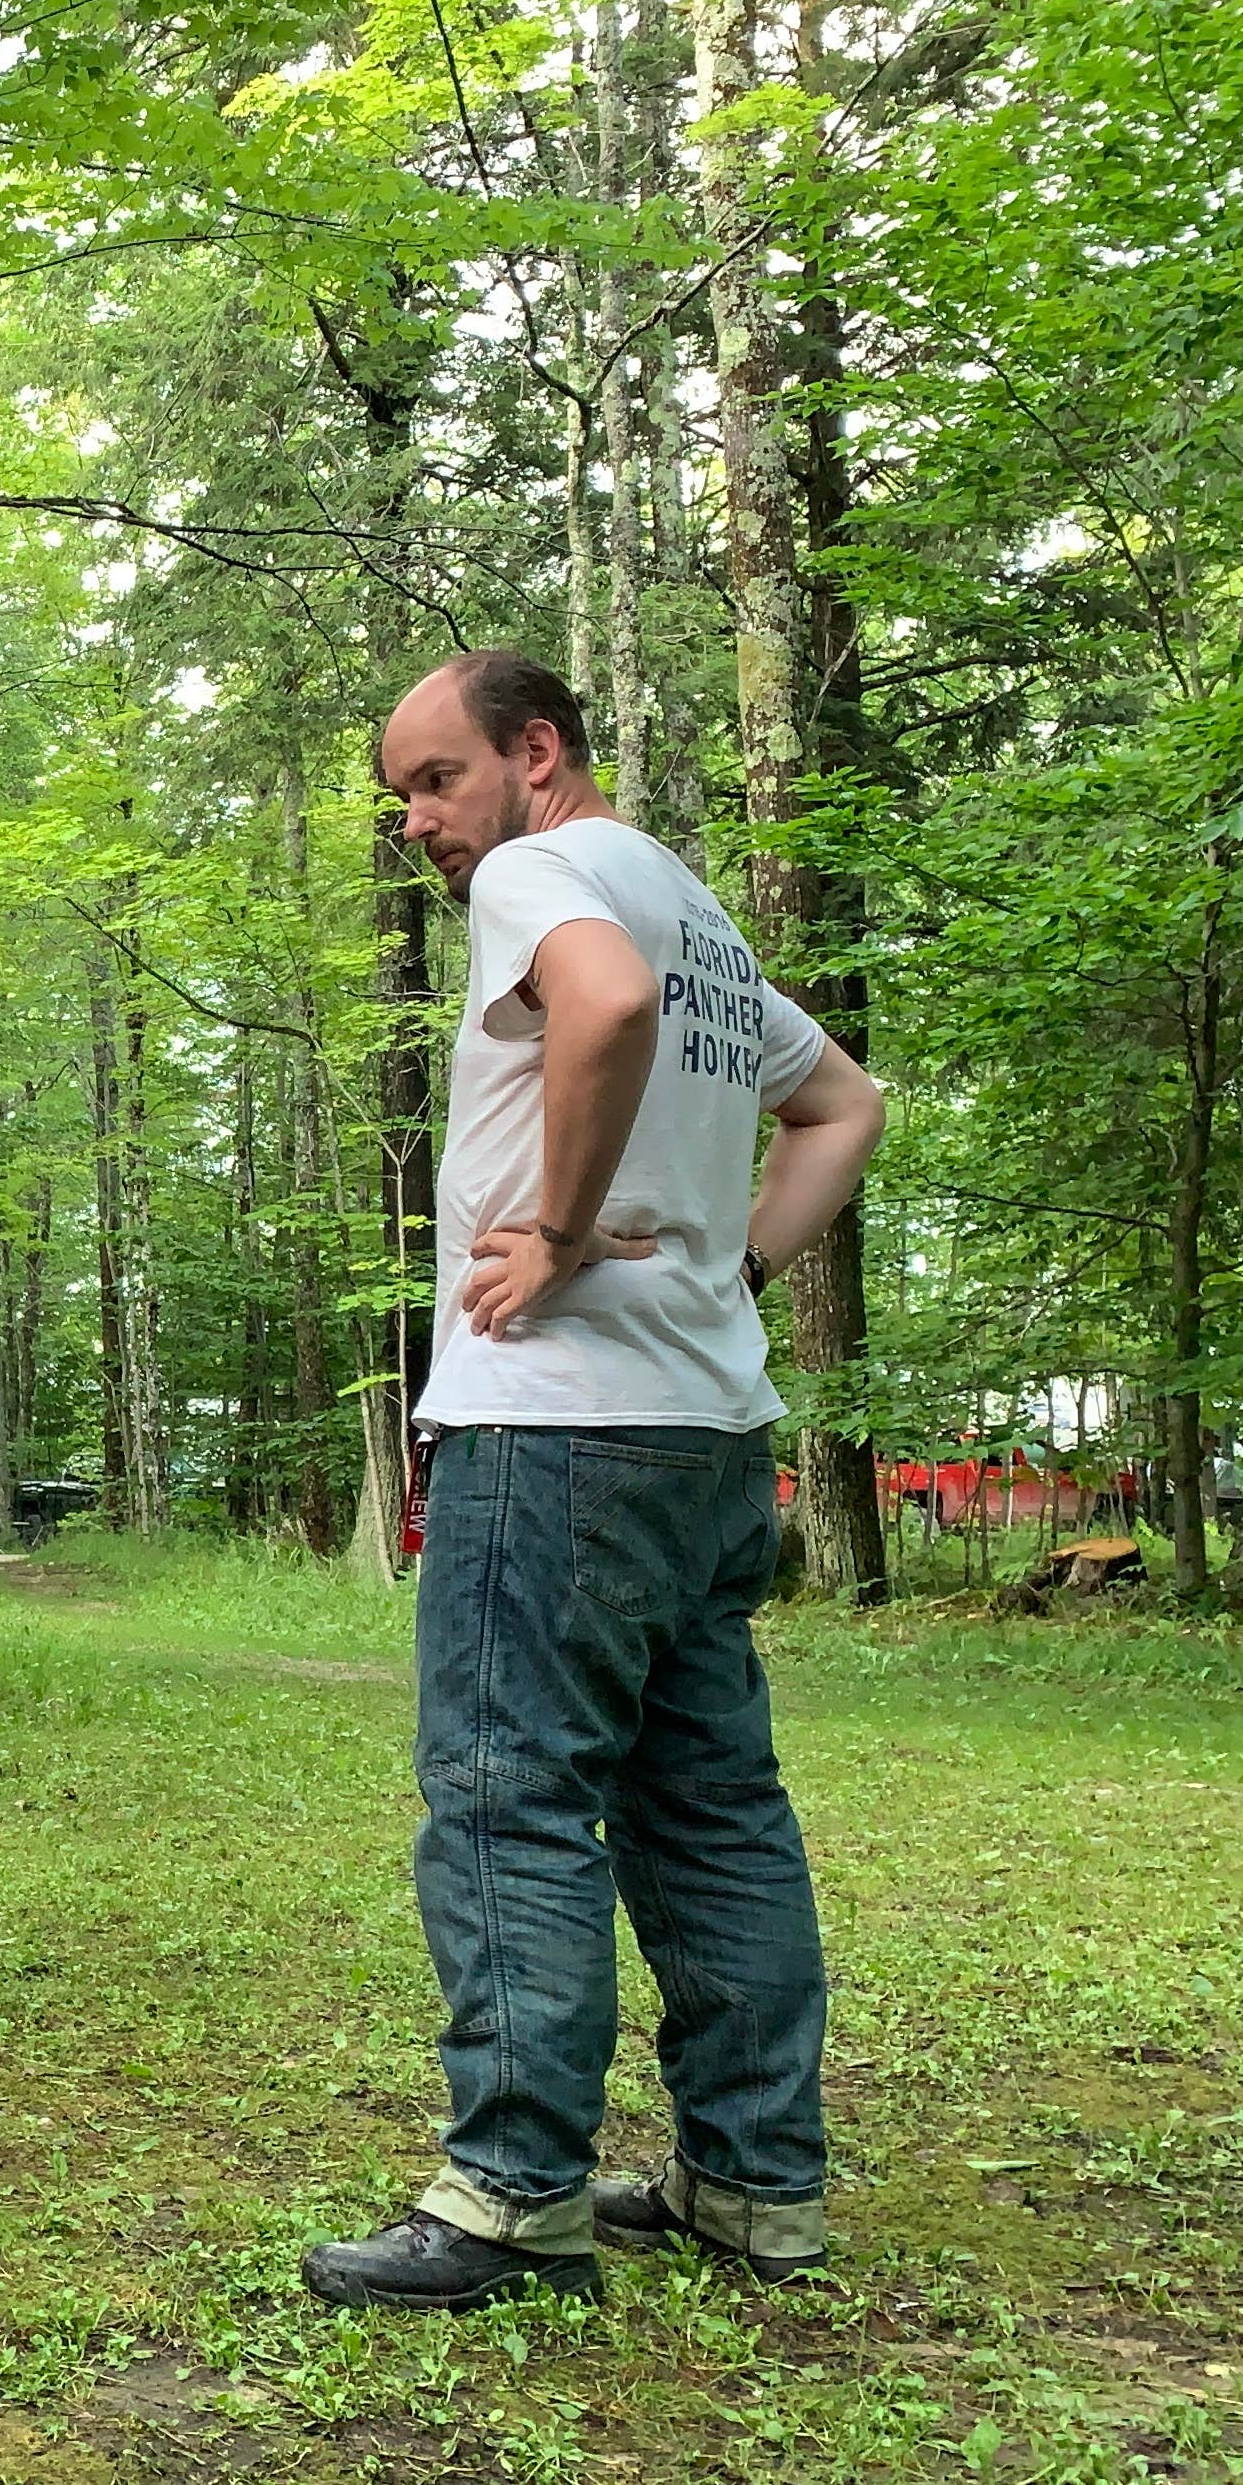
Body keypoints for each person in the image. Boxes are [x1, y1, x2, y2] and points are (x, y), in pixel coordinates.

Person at [303, 651, 887, 2312]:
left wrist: (557, 1234)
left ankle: (510, 2192)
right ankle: (754, 2184)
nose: (417, 822)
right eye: (403, 794)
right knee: (714, 1812)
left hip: (555, 1432)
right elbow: (841, 1104)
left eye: (435, 780)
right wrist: (731, 1276)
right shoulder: (695, 910)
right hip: (706, 1436)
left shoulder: (545, 872)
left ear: (533, 752)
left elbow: (604, 1006)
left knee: (511, 1797)